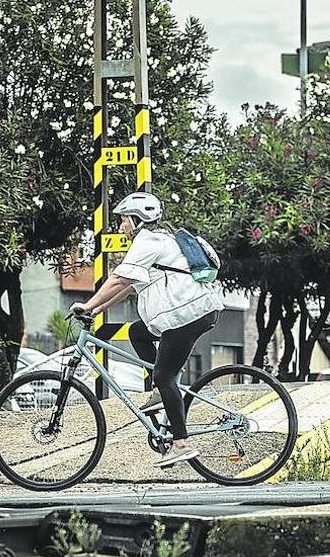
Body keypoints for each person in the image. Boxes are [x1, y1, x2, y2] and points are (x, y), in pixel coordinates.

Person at [72, 192, 223, 468]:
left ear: (137, 219)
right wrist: (94, 310)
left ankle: (181, 444)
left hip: (187, 315)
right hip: (187, 312)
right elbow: (128, 285)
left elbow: (118, 278)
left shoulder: (148, 241)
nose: (120, 227)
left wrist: (88, 303)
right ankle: (160, 390)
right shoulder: (158, 240)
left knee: (165, 375)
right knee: (137, 333)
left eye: (123, 221)